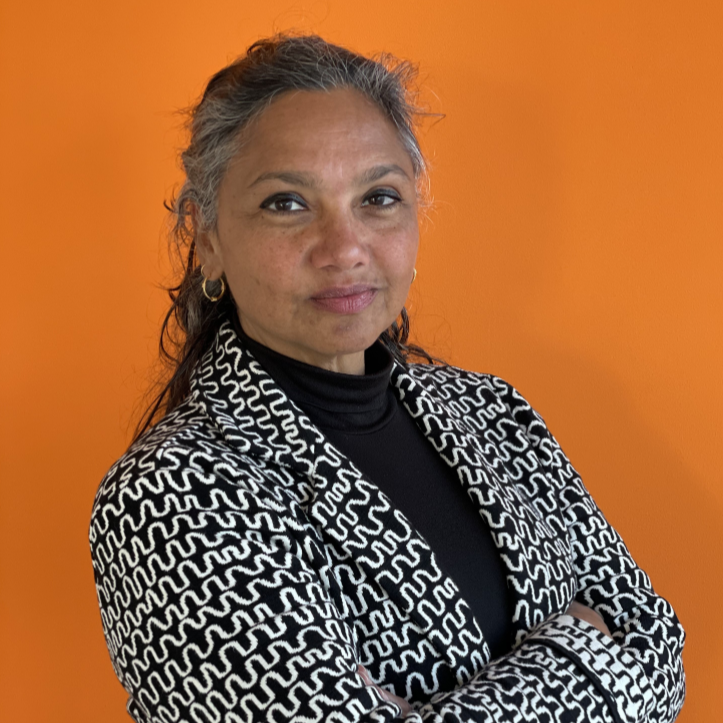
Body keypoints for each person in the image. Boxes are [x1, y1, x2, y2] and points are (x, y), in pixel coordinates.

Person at [89, 34, 685, 723]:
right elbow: (628, 663)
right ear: (209, 236)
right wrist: (584, 651)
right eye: (286, 203)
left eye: (377, 196)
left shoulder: (493, 412)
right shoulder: (169, 494)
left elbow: (658, 651)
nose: (345, 249)